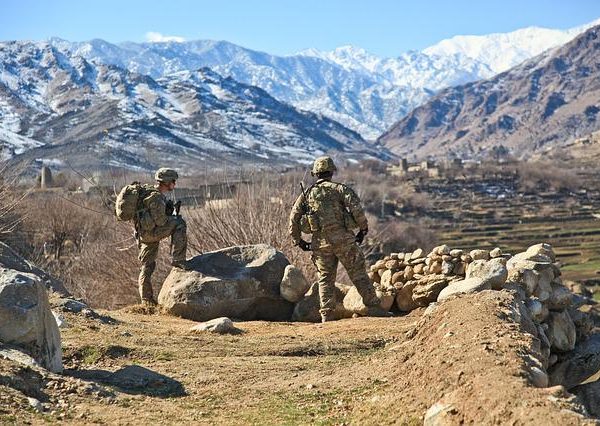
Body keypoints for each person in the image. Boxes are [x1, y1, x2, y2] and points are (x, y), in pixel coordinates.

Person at [288, 156, 390, 322]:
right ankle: (374, 308)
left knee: (325, 279)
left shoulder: (307, 194)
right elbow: (357, 209)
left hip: (320, 244)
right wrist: (363, 229)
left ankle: (327, 314)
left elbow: (293, 218)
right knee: (358, 274)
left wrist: (298, 241)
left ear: (315, 174)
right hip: (345, 241)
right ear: (332, 172)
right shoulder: (341, 189)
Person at [136, 167, 188, 306]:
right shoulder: (156, 197)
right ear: (166, 182)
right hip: (151, 233)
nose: (174, 184)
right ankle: (179, 259)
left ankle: (146, 300)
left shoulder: (148, 192)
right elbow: (161, 222)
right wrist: (170, 214)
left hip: (143, 234)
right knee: (180, 224)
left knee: (148, 265)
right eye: (173, 182)